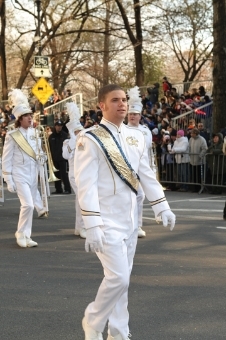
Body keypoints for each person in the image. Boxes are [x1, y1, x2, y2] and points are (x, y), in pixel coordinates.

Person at [74, 84, 176, 340]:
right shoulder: (90, 138)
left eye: (123, 100)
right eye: (115, 100)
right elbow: (85, 184)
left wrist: (161, 204)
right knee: (118, 278)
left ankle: (119, 332)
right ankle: (93, 320)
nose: (122, 104)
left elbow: (145, 173)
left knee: (123, 280)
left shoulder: (137, 136)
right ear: (102, 105)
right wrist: (92, 224)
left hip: (130, 220)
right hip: (106, 221)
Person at [2, 89, 47, 248]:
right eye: (27, 116)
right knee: (28, 204)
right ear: (20, 119)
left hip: (33, 173)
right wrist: (8, 179)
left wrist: (43, 157)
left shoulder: (35, 133)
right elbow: (6, 158)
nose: (30, 118)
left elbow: (39, 152)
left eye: (30, 115)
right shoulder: (12, 135)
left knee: (29, 206)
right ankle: (20, 233)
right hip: (19, 174)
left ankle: (27, 236)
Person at [126, 86, 153, 238]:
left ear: (140, 115)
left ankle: (137, 225)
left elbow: (147, 149)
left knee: (139, 196)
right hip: (128, 168)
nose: (132, 117)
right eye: (130, 114)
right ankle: (131, 225)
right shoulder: (122, 129)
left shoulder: (145, 130)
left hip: (141, 168)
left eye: (135, 114)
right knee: (131, 197)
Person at [62, 102, 86, 238]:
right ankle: (82, 227)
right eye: (76, 131)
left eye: (80, 131)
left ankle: (80, 227)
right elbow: (65, 155)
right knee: (82, 199)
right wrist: (73, 139)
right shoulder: (67, 143)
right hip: (74, 174)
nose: (79, 133)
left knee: (80, 200)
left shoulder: (84, 141)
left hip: (84, 173)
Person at [49, 120, 71, 194]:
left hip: (63, 159)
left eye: (61, 126)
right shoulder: (51, 136)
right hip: (54, 159)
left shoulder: (65, 135)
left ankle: (67, 189)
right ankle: (58, 189)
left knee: (64, 175)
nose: (59, 127)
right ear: (55, 126)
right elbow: (49, 147)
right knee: (56, 175)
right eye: (58, 126)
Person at [189, 128, 208, 192]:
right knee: (194, 175)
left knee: (199, 175)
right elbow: (189, 147)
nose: (191, 134)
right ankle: (195, 188)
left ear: (195, 134)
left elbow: (204, 148)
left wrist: (200, 155)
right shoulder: (191, 139)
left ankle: (199, 187)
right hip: (192, 160)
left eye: (192, 133)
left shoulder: (202, 139)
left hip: (199, 161)